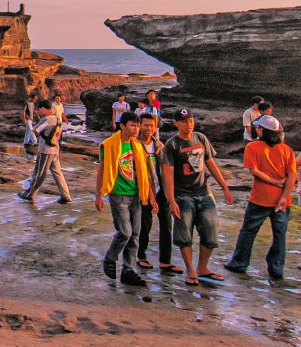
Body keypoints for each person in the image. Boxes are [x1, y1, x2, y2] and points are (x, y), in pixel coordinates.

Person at [161, 109, 235, 286]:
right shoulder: (172, 145)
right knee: (184, 235)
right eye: (185, 121)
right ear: (176, 123)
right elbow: (168, 176)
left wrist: (225, 187)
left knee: (210, 233)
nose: (189, 124)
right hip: (182, 195)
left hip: (204, 192)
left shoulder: (201, 139)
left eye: (191, 120)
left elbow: (210, 164)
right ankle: (191, 270)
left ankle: (203, 268)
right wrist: (171, 200)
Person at [225, 114, 296, 280]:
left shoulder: (253, 147)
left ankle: (239, 263)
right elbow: (292, 176)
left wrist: (274, 182)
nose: (256, 129)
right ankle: (276, 269)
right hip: (283, 200)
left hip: (260, 198)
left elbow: (254, 171)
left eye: (258, 127)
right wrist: (283, 196)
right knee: (280, 235)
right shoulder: (287, 150)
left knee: (249, 231)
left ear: (263, 130)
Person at [95, 111, 155, 286]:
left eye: (137, 126)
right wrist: (98, 195)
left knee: (135, 235)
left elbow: (145, 173)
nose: (136, 129)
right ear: (122, 126)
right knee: (125, 232)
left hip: (136, 195)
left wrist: (151, 196)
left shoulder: (137, 146)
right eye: (132, 125)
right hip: (118, 195)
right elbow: (102, 170)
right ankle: (110, 257)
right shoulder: (110, 145)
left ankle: (128, 270)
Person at [136, 111, 180, 274]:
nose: (148, 128)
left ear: (155, 128)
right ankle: (141, 256)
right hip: (143, 192)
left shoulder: (160, 146)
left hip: (161, 190)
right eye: (145, 125)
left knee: (166, 225)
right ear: (140, 126)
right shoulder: (135, 146)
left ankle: (165, 261)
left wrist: (171, 193)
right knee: (145, 224)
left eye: (151, 125)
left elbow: (168, 171)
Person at [17, 99, 71, 204]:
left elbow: (35, 131)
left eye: (39, 110)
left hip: (46, 150)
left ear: (44, 109)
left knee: (39, 173)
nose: (39, 112)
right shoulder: (57, 119)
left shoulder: (46, 119)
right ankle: (66, 195)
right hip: (55, 149)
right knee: (57, 173)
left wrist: (36, 119)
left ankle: (29, 194)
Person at [21, 93, 37, 160]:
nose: (35, 100)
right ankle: (34, 141)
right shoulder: (27, 102)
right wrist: (24, 118)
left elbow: (33, 110)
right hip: (27, 119)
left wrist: (38, 115)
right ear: (32, 98)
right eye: (35, 99)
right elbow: (24, 111)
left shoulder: (32, 103)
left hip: (31, 119)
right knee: (31, 130)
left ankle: (26, 142)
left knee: (28, 131)